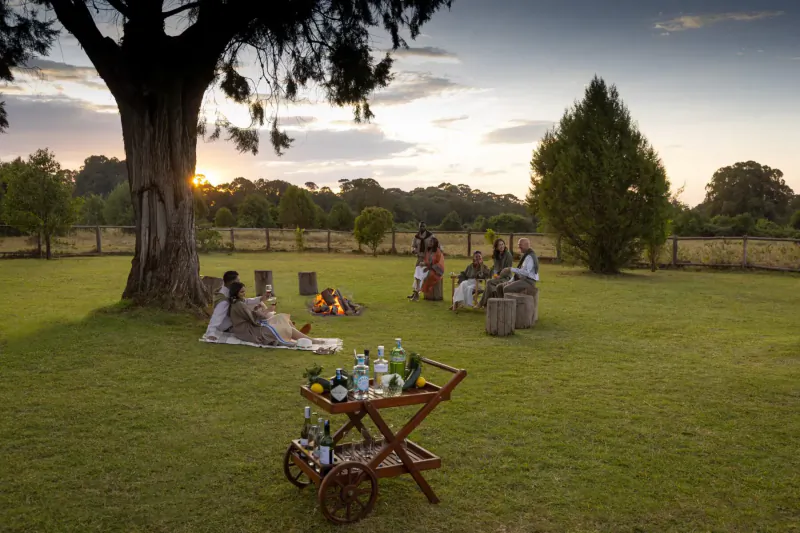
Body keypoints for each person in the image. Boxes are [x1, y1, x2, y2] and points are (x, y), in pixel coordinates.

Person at [204, 270, 309, 340]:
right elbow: (216, 317)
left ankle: (291, 330)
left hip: (240, 319)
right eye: (238, 281)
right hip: (234, 326)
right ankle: (288, 329)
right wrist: (211, 333)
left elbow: (245, 301)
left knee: (262, 305)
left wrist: (260, 299)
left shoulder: (231, 294)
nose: (240, 283)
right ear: (232, 284)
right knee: (272, 316)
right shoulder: (224, 301)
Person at [228, 282, 320, 346]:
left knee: (281, 317)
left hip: (251, 327)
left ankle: (300, 336)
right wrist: (267, 311)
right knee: (281, 326)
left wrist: (259, 308)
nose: (244, 294)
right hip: (249, 331)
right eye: (241, 292)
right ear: (236, 293)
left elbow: (250, 311)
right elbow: (253, 320)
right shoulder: (238, 304)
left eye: (244, 291)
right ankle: (309, 340)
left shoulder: (239, 301)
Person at [478, 238, 514, 308]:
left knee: (489, 283)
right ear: (496, 247)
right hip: (498, 277)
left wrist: (499, 276)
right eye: (499, 245)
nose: (501, 246)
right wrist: (493, 274)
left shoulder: (508, 255)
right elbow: (495, 268)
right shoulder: (496, 255)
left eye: (502, 244)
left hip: (506, 277)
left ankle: (481, 303)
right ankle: (486, 305)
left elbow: (508, 269)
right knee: (490, 286)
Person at [409, 222, 435, 300]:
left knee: (420, 275)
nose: (422, 228)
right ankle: (415, 292)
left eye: (423, 226)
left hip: (428, 258)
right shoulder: (416, 237)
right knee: (417, 274)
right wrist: (413, 250)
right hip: (420, 257)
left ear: (425, 227)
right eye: (420, 226)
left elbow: (434, 248)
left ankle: (417, 293)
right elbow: (413, 246)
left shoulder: (430, 236)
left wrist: (427, 262)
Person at [418, 236, 445, 301]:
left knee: (429, 274)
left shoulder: (438, 251)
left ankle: (433, 295)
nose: (429, 243)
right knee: (418, 271)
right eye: (429, 242)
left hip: (436, 271)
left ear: (435, 243)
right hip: (429, 267)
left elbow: (439, 263)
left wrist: (429, 268)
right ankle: (416, 291)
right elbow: (426, 261)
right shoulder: (428, 251)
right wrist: (423, 264)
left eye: (431, 242)